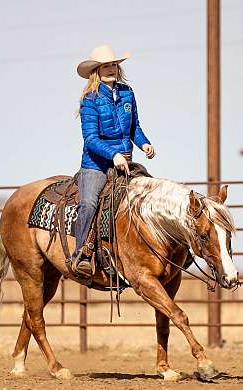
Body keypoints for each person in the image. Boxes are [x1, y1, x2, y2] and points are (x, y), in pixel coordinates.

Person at [72, 44, 156, 278]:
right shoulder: (90, 100)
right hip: (95, 165)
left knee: (148, 198)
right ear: (96, 70)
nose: (111, 69)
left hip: (125, 162)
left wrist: (144, 143)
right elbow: (90, 139)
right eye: (105, 65)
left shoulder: (127, 93)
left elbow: (134, 128)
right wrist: (114, 155)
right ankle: (82, 254)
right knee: (89, 203)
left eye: (113, 65)